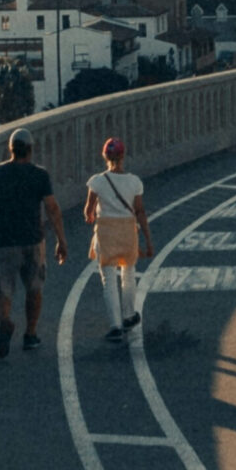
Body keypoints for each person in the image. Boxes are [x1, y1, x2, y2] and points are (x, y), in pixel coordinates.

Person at [0, 128, 67, 357]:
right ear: (31, 150)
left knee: (2, 288)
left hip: (4, 240)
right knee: (34, 288)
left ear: (10, 149)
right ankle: (30, 334)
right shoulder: (39, 175)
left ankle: (5, 321)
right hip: (34, 239)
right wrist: (61, 240)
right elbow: (52, 208)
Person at [83, 137, 153, 343]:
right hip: (127, 231)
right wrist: (148, 241)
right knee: (129, 274)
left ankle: (115, 326)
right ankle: (129, 315)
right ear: (123, 156)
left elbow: (88, 212)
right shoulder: (134, 182)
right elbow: (140, 212)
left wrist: (91, 214)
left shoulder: (96, 181)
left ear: (104, 156)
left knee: (108, 280)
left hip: (106, 232)